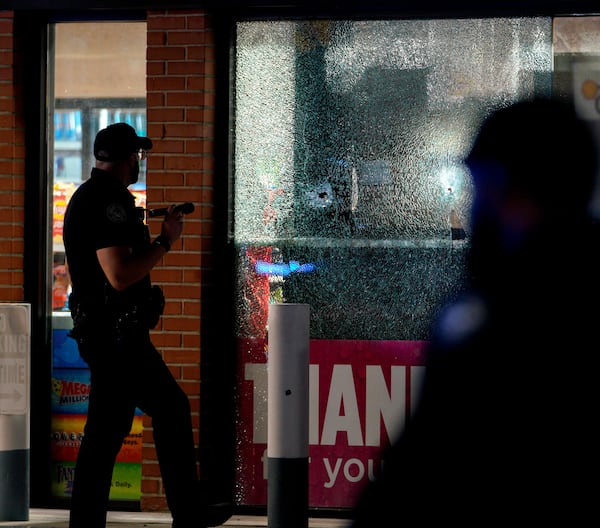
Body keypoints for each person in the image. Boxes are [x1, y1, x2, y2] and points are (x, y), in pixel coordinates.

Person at [349, 98, 600, 526]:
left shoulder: (487, 320)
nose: (473, 208)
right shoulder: (487, 306)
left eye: (483, 189)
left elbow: (414, 473)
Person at [63, 123, 231, 528]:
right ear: (126, 157)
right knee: (170, 408)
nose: (140, 161)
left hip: (109, 335)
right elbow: (120, 275)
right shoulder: (107, 203)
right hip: (116, 338)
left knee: (106, 431)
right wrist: (165, 242)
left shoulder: (94, 197)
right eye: (138, 154)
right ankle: (188, 512)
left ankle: (86, 522)